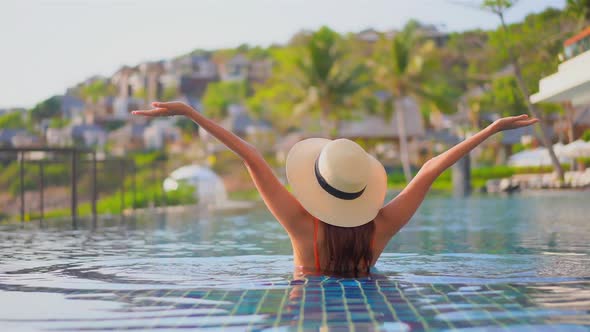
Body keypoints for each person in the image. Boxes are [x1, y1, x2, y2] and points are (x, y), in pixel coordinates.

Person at [133, 101, 538, 276]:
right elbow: (431, 170)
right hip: (372, 295)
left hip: (305, 292)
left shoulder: (297, 221)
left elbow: (251, 157)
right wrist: (491, 129)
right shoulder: (382, 226)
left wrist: (191, 114)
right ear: (362, 189)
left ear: (317, 183)